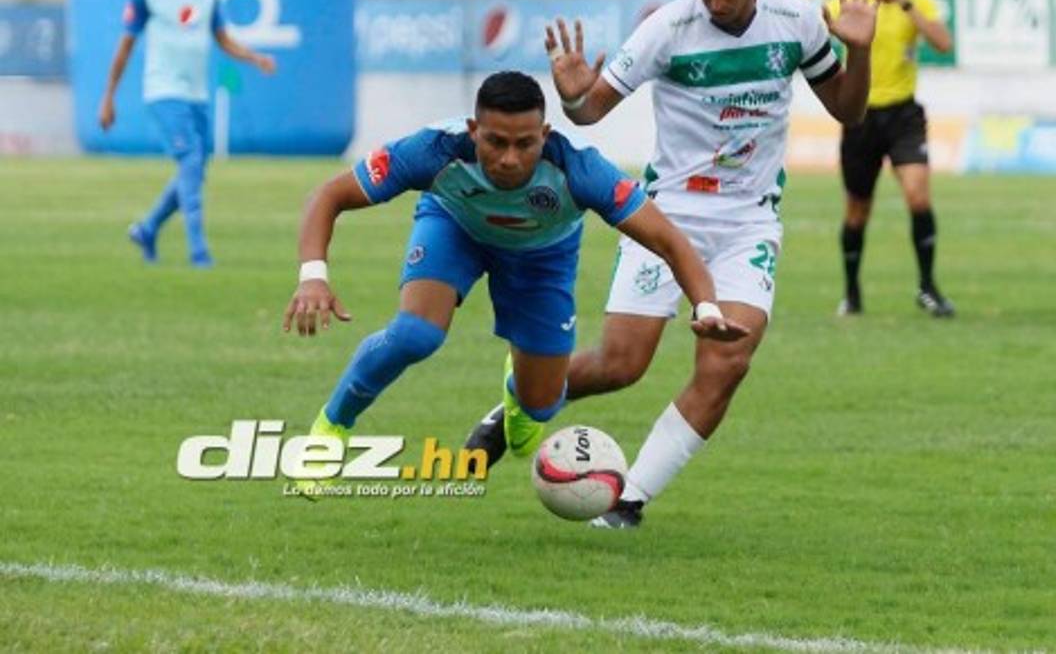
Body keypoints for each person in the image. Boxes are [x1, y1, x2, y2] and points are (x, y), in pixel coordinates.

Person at [465, 0, 878, 529]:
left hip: (748, 221)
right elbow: (589, 111)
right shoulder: (668, 29)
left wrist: (860, 50)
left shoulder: (795, 21)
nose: (716, 0)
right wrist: (575, 96)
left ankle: (628, 499)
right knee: (621, 365)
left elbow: (848, 109)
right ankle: (518, 398)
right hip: (667, 215)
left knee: (727, 363)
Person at [282, 71, 745, 491]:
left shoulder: (581, 170)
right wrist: (312, 277)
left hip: (542, 256)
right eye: (494, 142)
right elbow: (329, 195)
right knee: (415, 333)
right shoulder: (433, 150)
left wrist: (706, 307)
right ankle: (331, 430)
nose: (508, 158)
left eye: (524, 144)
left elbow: (670, 241)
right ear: (472, 131)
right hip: (455, 227)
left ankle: (517, 389)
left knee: (542, 403)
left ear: (544, 134)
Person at [98, 0, 276, 267]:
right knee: (191, 161)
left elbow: (222, 39)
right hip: (164, 91)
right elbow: (125, 46)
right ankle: (199, 252)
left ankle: (148, 228)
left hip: (198, 95)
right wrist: (109, 96)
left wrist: (254, 57)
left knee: (193, 169)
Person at [831, 0, 955, 317]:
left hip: (903, 115)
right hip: (860, 118)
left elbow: (942, 43)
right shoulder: (846, 4)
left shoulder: (915, 1)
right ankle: (851, 294)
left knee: (919, 197)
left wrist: (905, 4)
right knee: (857, 211)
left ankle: (927, 287)